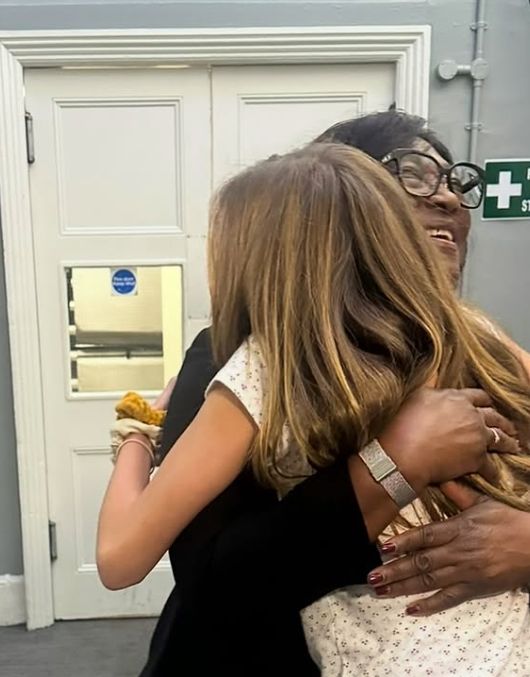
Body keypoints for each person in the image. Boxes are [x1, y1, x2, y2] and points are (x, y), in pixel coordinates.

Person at [97, 143, 530, 675]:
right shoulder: (476, 341)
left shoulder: (263, 368)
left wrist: (136, 436)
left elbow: (120, 558)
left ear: (255, 259)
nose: (442, 198)